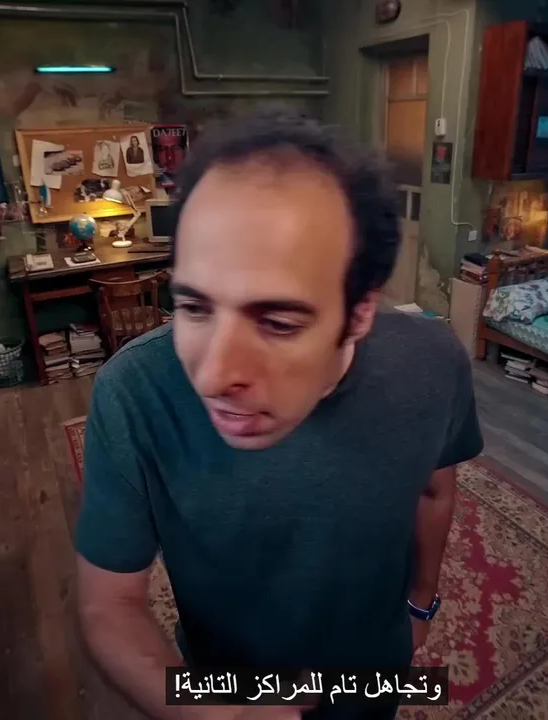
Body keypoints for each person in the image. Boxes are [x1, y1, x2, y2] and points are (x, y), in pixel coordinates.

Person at [74, 109, 483, 720]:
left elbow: (434, 491)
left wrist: (421, 604)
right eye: (195, 307)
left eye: (278, 322)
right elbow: (108, 604)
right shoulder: (134, 393)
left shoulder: (433, 364)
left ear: (359, 312)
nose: (213, 376)